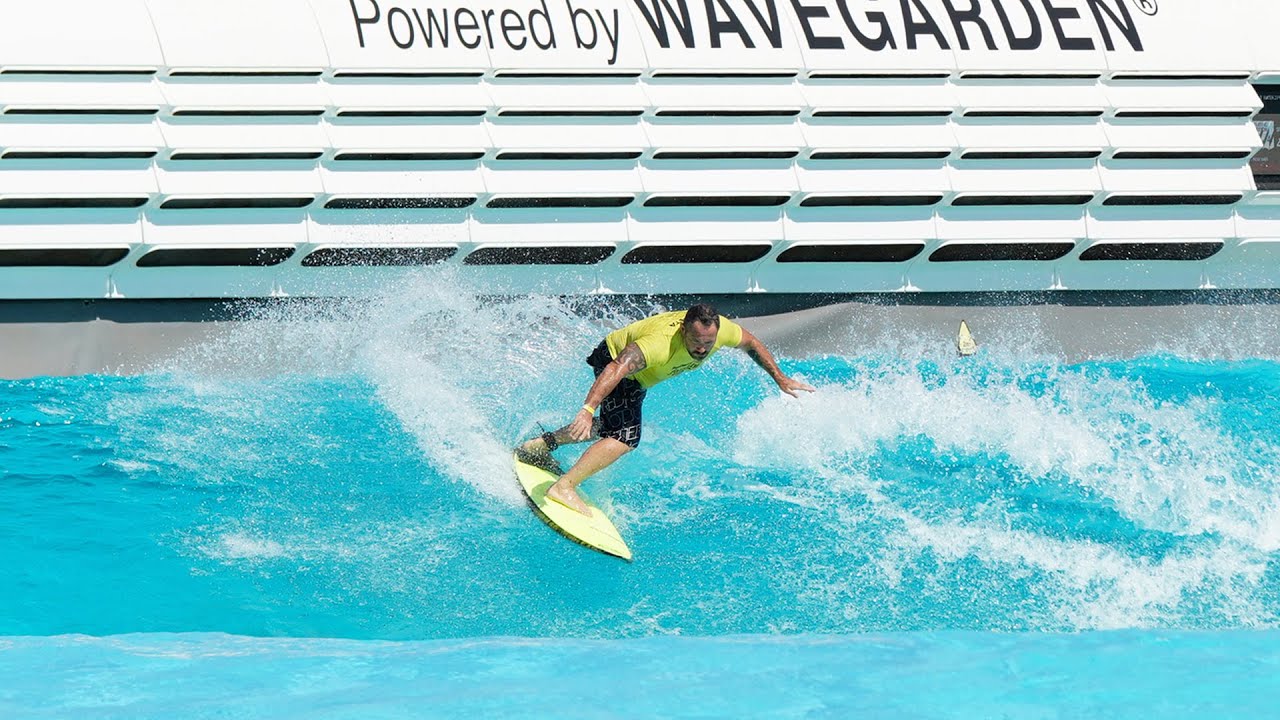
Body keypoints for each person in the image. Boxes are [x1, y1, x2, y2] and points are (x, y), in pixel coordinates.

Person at [519, 303, 815, 515]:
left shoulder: (719, 329)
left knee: (611, 427)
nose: (702, 349)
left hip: (634, 376)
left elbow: (751, 342)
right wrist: (586, 408)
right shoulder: (659, 344)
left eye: (708, 343)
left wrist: (780, 377)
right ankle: (564, 487)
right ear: (683, 330)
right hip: (616, 362)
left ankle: (539, 446)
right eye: (696, 342)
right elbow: (615, 368)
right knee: (624, 437)